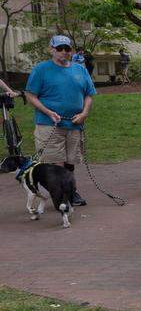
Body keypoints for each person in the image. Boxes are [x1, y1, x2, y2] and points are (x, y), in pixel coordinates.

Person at [24, 35, 96, 206]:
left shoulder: (80, 69)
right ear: (52, 49)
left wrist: (85, 113)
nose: (64, 52)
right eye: (60, 48)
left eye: (67, 49)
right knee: (57, 161)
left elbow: (89, 94)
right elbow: (30, 95)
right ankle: (64, 193)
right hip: (50, 123)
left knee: (71, 160)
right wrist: (48, 112)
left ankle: (67, 189)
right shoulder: (41, 69)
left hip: (75, 123)